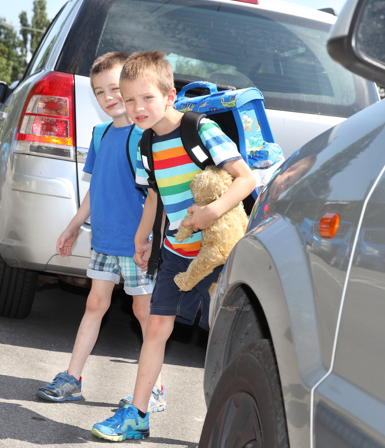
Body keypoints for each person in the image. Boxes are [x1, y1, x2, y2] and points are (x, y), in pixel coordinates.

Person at [91, 51, 256, 442]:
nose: (136, 107)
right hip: (176, 253)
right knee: (155, 328)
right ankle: (138, 414)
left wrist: (210, 212)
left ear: (170, 95)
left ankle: (228, 427)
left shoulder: (200, 129)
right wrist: (142, 237)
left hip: (218, 254)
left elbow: (245, 179)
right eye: (129, 99)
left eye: (146, 98)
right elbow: (153, 194)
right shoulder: (145, 143)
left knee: (223, 339)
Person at [35, 51, 166, 413]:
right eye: (99, 92)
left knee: (145, 314)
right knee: (95, 304)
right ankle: (72, 379)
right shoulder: (99, 133)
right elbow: (97, 187)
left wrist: (151, 237)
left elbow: (157, 192)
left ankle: (154, 389)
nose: (109, 98)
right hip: (104, 240)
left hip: (137, 243)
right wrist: (74, 225)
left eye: (115, 89)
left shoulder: (144, 137)